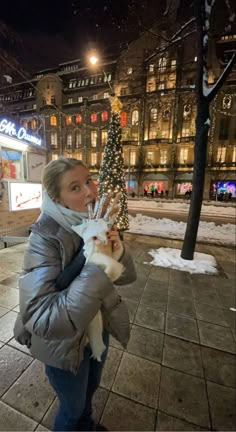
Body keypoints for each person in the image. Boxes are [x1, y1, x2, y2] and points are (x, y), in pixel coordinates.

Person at [14, 157, 136, 432]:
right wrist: (97, 264)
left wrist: (117, 251)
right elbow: (41, 317)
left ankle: (87, 426)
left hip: (96, 329)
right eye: (75, 187)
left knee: (91, 388)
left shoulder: (95, 222)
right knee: (72, 408)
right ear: (58, 199)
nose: (90, 191)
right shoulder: (44, 237)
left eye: (89, 180)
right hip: (63, 345)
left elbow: (128, 277)